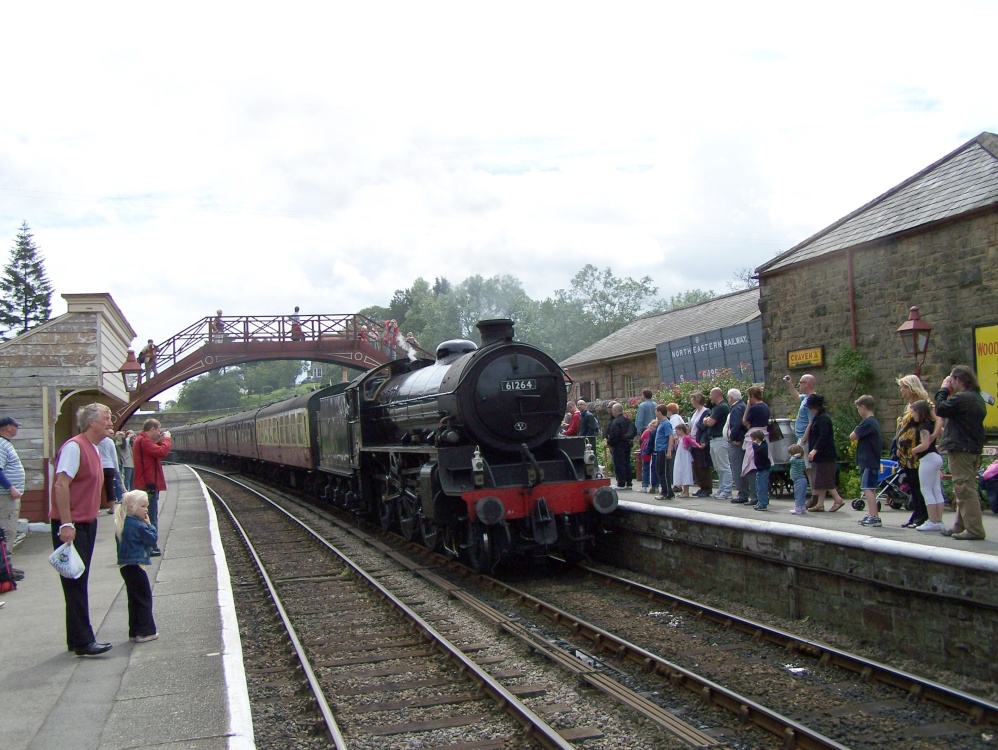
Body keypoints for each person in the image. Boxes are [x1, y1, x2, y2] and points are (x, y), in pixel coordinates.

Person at [50, 403, 114, 656]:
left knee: (78, 580)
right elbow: (61, 485)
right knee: (75, 582)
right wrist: (66, 524)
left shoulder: (95, 449)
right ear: (91, 422)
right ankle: (84, 641)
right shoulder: (75, 447)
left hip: (87, 522)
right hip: (73, 525)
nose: (110, 422)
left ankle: (78, 639)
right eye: (106, 418)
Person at [935, 366, 987, 540]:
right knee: (963, 488)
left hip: (961, 448)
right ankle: (960, 525)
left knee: (964, 488)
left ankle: (975, 530)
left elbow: (940, 408)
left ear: (957, 380)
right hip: (973, 448)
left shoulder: (962, 398)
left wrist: (943, 389)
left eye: (952, 380)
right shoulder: (977, 398)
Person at [115, 490, 159, 643]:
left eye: (146, 506)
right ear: (132, 507)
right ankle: (145, 632)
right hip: (136, 565)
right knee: (144, 597)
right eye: (143, 506)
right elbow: (153, 540)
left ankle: (134, 631)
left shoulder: (124, 523)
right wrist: (150, 525)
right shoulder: (139, 526)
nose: (146, 509)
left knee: (134, 599)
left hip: (126, 566)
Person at [895, 375, 932, 529]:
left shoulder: (926, 404)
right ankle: (917, 513)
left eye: (903, 387)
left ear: (911, 388)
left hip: (917, 451)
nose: (901, 390)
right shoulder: (908, 406)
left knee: (919, 485)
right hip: (906, 453)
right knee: (912, 484)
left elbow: (933, 423)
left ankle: (923, 514)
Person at [132, 419, 173, 555]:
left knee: (148, 516)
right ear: (153, 429)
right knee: (150, 516)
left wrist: (161, 441)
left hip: (147, 483)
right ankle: (151, 546)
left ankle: (150, 545)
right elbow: (161, 452)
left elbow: (155, 450)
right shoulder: (143, 441)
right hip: (148, 484)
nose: (159, 433)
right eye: (158, 430)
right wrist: (167, 440)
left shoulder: (142, 440)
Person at [805, 394, 846, 512]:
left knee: (825, 479)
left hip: (825, 455)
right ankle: (820, 504)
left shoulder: (824, 419)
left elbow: (824, 436)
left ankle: (838, 499)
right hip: (821, 456)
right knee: (820, 479)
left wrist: (815, 449)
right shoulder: (818, 418)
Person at [909, 400, 945, 532]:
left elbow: (924, 445)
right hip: (936, 457)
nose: (912, 414)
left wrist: (912, 451)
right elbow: (944, 432)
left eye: (913, 412)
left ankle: (932, 520)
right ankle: (939, 521)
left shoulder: (922, 427)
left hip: (927, 458)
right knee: (936, 490)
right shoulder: (932, 423)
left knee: (926, 490)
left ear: (919, 412)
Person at [784, 373, 818, 506]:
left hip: (805, 438)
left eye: (801, 382)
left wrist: (804, 438)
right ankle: (813, 494)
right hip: (801, 436)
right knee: (806, 467)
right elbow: (796, 397)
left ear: (808, 384)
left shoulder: (811, 400)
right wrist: (790, 384)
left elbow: (811, 421)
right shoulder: (805, 398)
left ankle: (814, 495)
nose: (800, 384)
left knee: (807, 467)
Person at [850, 395, 884, 527]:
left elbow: (852, 436)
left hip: (868, 460)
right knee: (871, 487)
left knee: (867, 487)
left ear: (863, 407)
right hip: (871, 459)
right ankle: (871, 513)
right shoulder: (873, 422)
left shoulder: (867, 422)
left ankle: (875, 516)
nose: (858, 412)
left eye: (859, 409)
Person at [0, 416, 26, 582]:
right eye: (15, 426)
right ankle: (4, 569)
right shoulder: (1, 444)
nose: (17, 429)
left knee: (10, 529)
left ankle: (7, 565)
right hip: (5, 497)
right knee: (7, 529)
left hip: (9, 496)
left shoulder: (5, 444)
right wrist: (10, 487)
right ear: (8, 427)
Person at [740, 386, 772, 506]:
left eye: (749, 397)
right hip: (763, 434)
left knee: (750, 466)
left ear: (752, 396)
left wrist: (748, 407)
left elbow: (745, 422)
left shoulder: (754, 408)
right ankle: (763, 496)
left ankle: (755, 496)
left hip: (753, 435)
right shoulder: (765, 407)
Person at [703, 388, 732, 499]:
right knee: (718, 467)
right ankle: (721, 488)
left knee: (724, 466)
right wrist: (707, 420)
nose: (710, 397)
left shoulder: (722, 407)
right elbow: (706, 420)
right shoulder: (716, 408)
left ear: (715, 394)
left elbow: (710, 422)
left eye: (711, 394)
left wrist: (707, 420)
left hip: (720, 439)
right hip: (714, 440)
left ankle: (727, 490)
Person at [605, 403, 636, 490]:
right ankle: (629, 482)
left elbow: (613, 434)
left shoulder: (616, 422)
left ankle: (621, 483)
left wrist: (609, 443)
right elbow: (634, 430)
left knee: (619, 463)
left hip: (618, 445)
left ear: (615, 411)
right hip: (627, 443)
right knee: (627, 462)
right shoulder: (627, 420)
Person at [725, 389, 748, 502]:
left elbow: (736, 425)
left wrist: (734, 438)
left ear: (731, 398)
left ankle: (742, 494)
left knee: (737, 467)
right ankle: (744, 492)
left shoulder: (736, 408)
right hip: (743, 440)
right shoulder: (743, 406)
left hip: (737, 443)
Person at [688, 393, 713, 497]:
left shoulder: (706, 412)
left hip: (700, 441)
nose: (691, 401)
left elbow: (704, 429)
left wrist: (703, 441)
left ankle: (707, 488)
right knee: (696, 466)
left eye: (692, 399)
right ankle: (701, 486)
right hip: (693, 441)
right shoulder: (694, 412)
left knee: (703, 465)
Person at [98, 426, 123, 515]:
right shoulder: (110, 442)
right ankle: (112, 507)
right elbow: (114, 456)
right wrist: (116, 468)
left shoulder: (97, 442)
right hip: (110, 466)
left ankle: (96, 508)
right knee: (110, 487)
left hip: (99, 466)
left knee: (98, 488)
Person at [654, 404, 676, 500]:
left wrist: (669, 451)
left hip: (664, 450)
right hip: (659, 450)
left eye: (656, 412)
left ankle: (666, 492)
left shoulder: (666, 423)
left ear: (659, 412)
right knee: (660, 471)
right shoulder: (661, 423)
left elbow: (670, 436)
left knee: (664, 471)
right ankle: (667, 491)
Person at [748, 428, 772, 511]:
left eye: (752, 439)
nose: (752, 441)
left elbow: (758, 451)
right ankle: (760, 501)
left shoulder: (763, 445)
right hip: (759, 469)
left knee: (762, 487)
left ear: (757, 439)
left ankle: (763, 504)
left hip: (763, 469)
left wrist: (754, 444)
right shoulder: (760, 445)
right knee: (758, 486)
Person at [673, 423, 694, 496]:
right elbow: (676, 448)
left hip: (684, 456)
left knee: (685, 470)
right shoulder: (680, 438)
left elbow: (692, 443)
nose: (676, 433)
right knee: (680, 470)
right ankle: (683, 491)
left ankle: (686, 491)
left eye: (677, 431)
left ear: (681, 430)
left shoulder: (686, 437)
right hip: (680, 456)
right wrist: (676, 442)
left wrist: (699, 446)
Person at [639, 418, 659, 494]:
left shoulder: (647, 431)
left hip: (646, 451)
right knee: (655, 469)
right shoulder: (657, 431)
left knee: (645, 468)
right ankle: (655, 486)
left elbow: (641, 439)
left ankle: (644, 486)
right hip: (655, 451)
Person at [788, 443, 808, 515]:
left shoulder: (796, 461)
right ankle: (802, 507)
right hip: (802, 479)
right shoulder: (802, 461)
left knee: (798, 495)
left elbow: (791, 460)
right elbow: (804, 468)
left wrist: (794, 456)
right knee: (802, 495)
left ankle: (798, 508)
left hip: (798, 480)